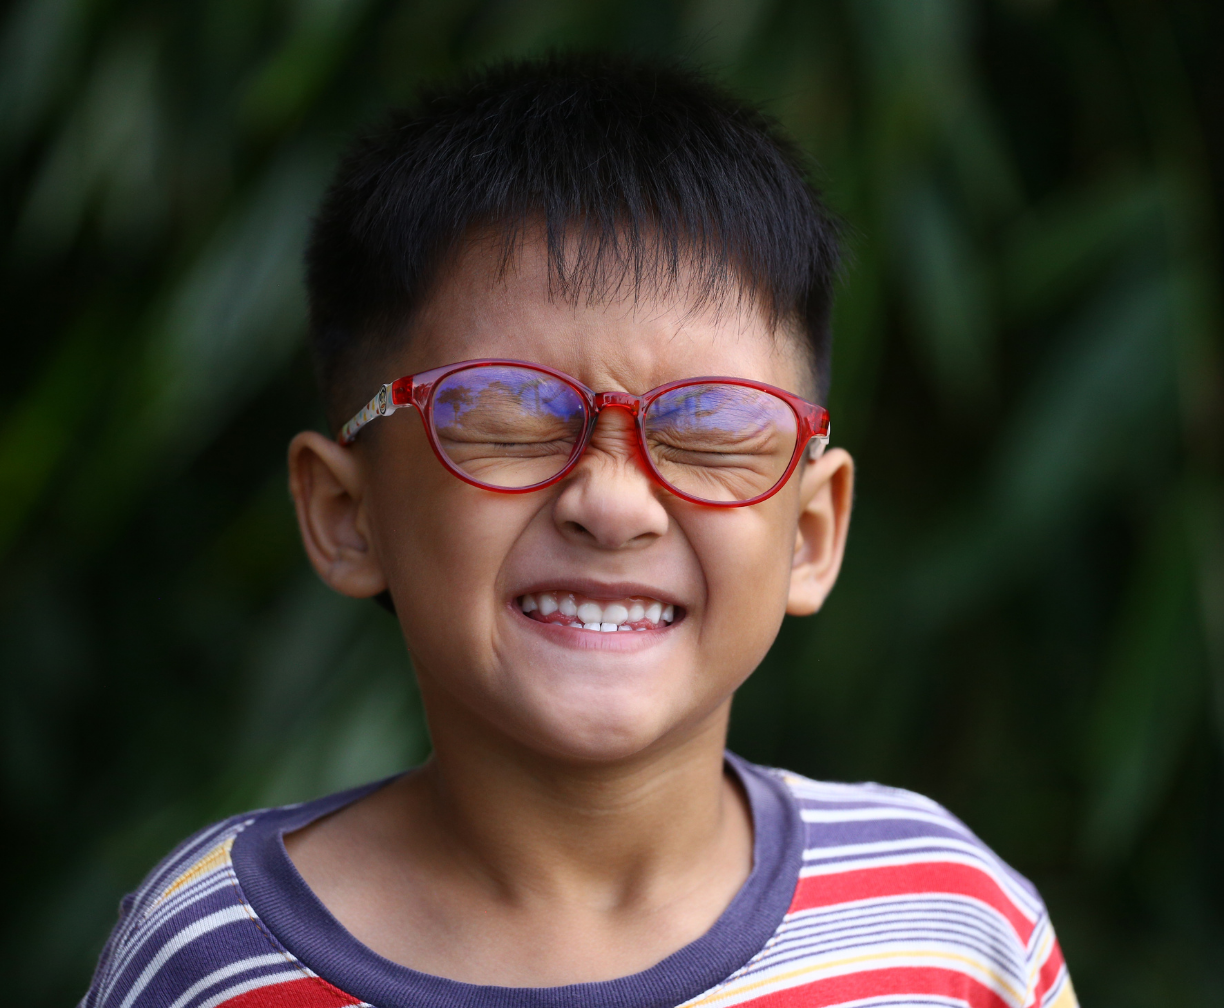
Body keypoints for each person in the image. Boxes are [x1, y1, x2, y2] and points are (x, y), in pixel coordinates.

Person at [81, 53, 1076, 1008]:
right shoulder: (213, 961)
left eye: (709, 429)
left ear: (811, 532)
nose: (611, 502)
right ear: (348, 514)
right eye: (510, 417)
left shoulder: (944, 928)